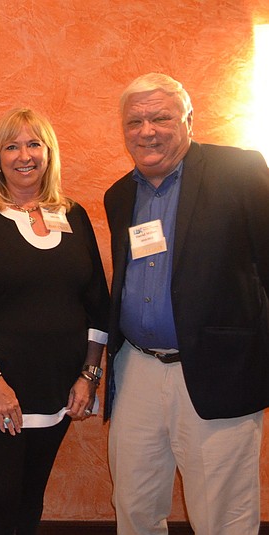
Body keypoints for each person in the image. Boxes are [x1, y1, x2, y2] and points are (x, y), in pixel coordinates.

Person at [104, 73, 269, 535]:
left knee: (222, 515)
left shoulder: (239, 171)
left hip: (219, 371)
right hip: (135, 368)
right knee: (133, 505)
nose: (147, 130)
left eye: (160, 117)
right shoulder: (119, 195)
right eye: (135, 120)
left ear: (188, 120)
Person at [0, 108, 110, 535]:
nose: (23, 155)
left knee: (32, 497)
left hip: (58, 387)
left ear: (49, 154)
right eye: (11, 146)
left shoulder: (74, 215)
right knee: (0, 498)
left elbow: (95, 304)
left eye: (34, 144)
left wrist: (89, 375)